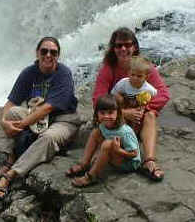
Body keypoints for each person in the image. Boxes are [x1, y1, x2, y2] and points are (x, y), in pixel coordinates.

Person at [0, 36, 81, 200]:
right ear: (37, 53)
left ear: (58, 56)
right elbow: (11, 102)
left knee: (49, 137)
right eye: (44, 51)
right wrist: (4, 122)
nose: (48, 55)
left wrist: (22, 124)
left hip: (63, 120)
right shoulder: (29, 72)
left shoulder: (63, 73)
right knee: (11, 114)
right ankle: (10, 157)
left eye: (53, 52)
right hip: (37, 119)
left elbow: (48, 107)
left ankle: (11, 174)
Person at [92, 27, 170, 181]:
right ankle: (118, 156)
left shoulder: (144, 67)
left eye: (128, 45)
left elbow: (163, 94)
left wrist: (143, 109)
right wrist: (123, 112)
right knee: (118, 98)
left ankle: (149, 162)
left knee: (151, 115)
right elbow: (98, 100)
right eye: (118, 45)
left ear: (134, 47)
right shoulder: (108, 70)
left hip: (140, 117)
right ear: (113, 48)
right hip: (117, 118)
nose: (123, 49)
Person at [66, 94, 141, 187]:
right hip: (115, 154)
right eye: (102, 113)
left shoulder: (125, 132)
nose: (106, 116)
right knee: (95, 132)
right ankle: (84, 164)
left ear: (118, 113)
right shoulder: (103, 125)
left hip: (128, 162)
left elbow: (134, 154)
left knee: (107, 144)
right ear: (97, 113)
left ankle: (91, 176)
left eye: (110, 113)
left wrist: (118, 150)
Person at [111, 55, 157, 133]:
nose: (135, 78)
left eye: (139, 76)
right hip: (124, 107)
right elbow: (113, 94)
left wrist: (145, 105)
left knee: (136, 122)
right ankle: (122, 129)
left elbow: (154, 96)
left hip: (137, 111)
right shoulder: (123, 83)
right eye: (132, 75)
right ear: (128, 73)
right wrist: (120, 99)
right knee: (121, 120)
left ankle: (134, 133)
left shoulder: (148, 89)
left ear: (146, 77)